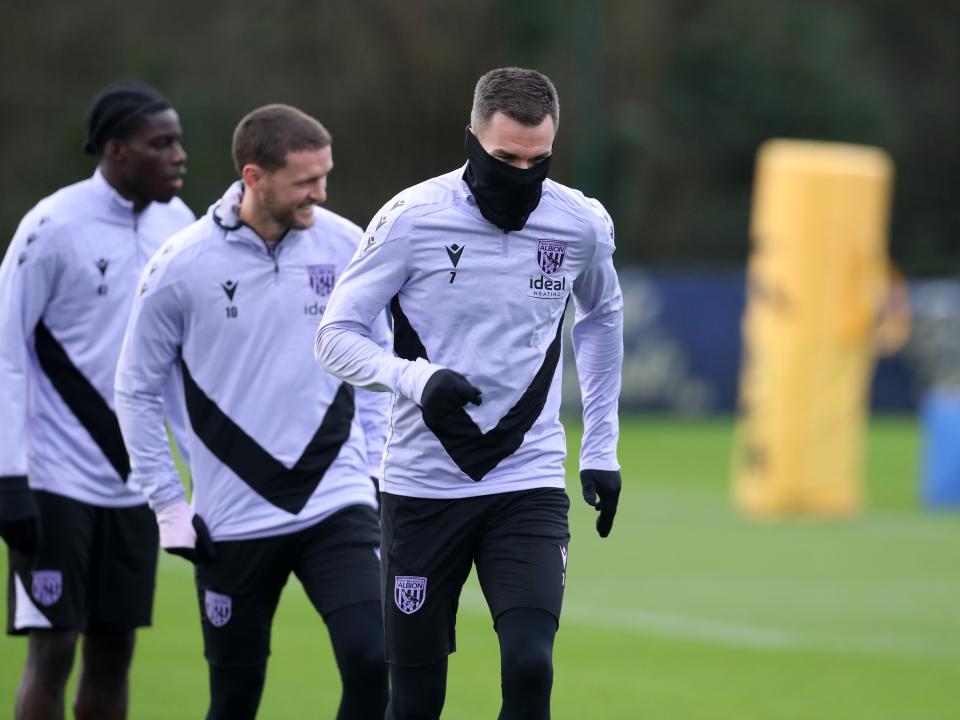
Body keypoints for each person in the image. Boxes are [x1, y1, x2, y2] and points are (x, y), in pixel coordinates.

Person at [315, 66, 624, 720]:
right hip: (422, 489)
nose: (521, 174)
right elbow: (335, 334)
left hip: (528, 480)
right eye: (505, 158)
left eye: (538, 161)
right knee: (418, 699)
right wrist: (415, 378)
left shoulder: (580, 224)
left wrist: (601, 447)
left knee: (531, 664)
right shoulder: (410, 218)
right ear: (472, 142)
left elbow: (601, 317)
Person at [114, 104, 390, 720]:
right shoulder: (179, 267)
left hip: (336, 500)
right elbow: (134, 389)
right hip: (232, 518)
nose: (321, 192)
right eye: (305, 181)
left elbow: (379, 367)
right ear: (254, 176)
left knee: (376, 662)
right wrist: (167, 503)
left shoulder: (349, 246)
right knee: (235, 700)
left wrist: (374, 469)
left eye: (326, 175)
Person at [0, 81, 193, 719]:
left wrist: (200, 472)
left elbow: (184, 365)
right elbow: (6, 353)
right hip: (54, 482)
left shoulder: (179, 227)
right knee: (52, 652)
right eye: (159, 143)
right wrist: (9, 477)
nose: (177, 155)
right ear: (116, 151)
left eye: (178, 141)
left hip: (135, 484)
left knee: (114, 654)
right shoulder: (51, 228)